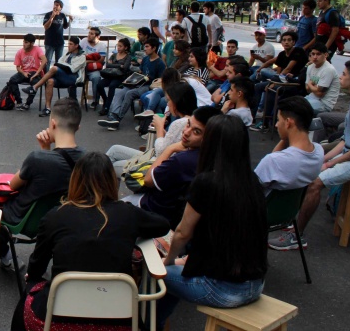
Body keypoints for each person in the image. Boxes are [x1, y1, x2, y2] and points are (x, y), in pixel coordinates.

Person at [17, 152, 170, 331]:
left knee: (28, 293)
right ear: (111, 182)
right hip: (120, 321)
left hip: (57, 320)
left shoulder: (55, 216)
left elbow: (36, 267)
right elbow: (163, 225)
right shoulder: (128, 214)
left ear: (75, 180)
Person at [157, 115, 268, 328]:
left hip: (221, 289)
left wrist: (169, 261)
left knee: (154, 273)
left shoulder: (206, 182)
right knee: (175, 269)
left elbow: (182, 233)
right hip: (255, 285)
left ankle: (148, 324)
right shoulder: (251, 180)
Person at [0, 98, 85, 268]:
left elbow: (12, 184)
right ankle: (5, 255)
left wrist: (44, 149)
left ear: (52, 124)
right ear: (78, 127)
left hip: (23, 218)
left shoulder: (37, 159)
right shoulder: (87, 159)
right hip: (57, 219)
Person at [269, 59, 350, 250]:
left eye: (343, 75)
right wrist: (323, 159)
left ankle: (298, 236)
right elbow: (345, 141)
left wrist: (328, 165)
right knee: (311, 168)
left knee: (315, 183)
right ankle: (293, 222)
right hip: (348, 153)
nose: (341, 77)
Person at [125, 107, 222, 228]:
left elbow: (148, 180)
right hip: (176, 215)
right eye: (188, 124)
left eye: (196, 131)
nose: (186, 132)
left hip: (153, 209)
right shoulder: (215, 157)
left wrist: (171, 148)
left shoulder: (183, 160)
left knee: (111, 210)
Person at [107, 80, 198, 174]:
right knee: (114, 149)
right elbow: (172, 142)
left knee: (111, 167)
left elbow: (160, 151)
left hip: (158, 165)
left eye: (168, 100)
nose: (167, 104)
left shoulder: (180, 123)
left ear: (177, 102)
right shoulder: (191, 121)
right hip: (160, 160)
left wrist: (159, 128)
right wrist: (163, 131)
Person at [255, 96, 323, 197]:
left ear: (288, 122)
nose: (276, 125)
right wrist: (286, 136)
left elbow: (250, 189)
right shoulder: (318, 151)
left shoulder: (273, 161)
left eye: (278, 120)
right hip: (287, 212)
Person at [98, 37, 166, 131]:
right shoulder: (146, 59)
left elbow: (160, 80)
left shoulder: (160, 63)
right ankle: (113, 116)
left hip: (148, 87)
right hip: (138, 83)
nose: (145, 49)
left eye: (147, 47)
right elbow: (141, 72)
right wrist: (133, 79)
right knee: (120, 92)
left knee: (130, 93)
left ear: (154, 48)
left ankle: (118, 119)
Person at [22, 37, 87, 117]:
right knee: (50, 81)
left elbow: (72, 69)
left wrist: (61, 66)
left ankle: (35, 87)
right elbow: (59, 62)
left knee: (54, 68)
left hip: (73, 78)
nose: (68, 46)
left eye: (71, 44)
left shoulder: (81, 57)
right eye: (68, 44)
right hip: (63, 77)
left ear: (76, 45)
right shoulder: (67, 55)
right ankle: (48, 108)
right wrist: (61, 66)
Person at [8, 34, 47, 111]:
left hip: (34, 73)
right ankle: (19, 101)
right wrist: (23, 73)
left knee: (35, 83)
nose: (24, 44)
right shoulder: (20, 52)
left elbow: (45, 60)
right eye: (23, 42)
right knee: (12, 80)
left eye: (26, 42)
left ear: (32, 43)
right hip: (24, 72)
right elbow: (18, 67)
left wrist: (37, 72)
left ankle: (28, 104)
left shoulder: (37, 49)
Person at [96, 38, 132, 115]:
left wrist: (114, 65)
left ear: (125, 47)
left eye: (120, 46)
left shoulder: (128, 57)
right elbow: (108, 65)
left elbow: (125, 68)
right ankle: (105, 100)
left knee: (112, 86)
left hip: (120, 77)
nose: (118, 48)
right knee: (99, 85)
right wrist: (119, 65)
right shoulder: (114, 55)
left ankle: (106, 107)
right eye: (118, 46)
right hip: (110, 75)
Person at [304, 43, 340, 115]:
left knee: (298, 110)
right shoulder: (310, 67)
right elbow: (307, 89)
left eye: (318, 54)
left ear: (326, 55)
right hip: (311, 98)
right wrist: (314, 88)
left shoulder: (328, 69)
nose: (315, 57)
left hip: (324, 104)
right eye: (313, 54)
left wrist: (310, 84)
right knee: (289, 105)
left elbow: (320, 94)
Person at [82, 26, 108, 108]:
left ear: (97, 36)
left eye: (91, 34)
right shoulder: (83, 41)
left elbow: (101, 60)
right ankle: (72, 100)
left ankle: (95, 100)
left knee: (96, 77)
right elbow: (78, 54)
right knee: (72, 75)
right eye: (89, 33)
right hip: (81, 68)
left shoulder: (102, 46)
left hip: (94, 69)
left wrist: (88, 61)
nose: (89, 35)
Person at [41, 0, 71, 69]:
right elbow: (46, 26)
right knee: (47, 61)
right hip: (49, 42)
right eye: (54, 4)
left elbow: (65, 26)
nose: (55, 6)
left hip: (60, 43)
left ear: (61, 7)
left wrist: (70, 21)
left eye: (57, 5)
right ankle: (46, 77)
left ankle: (56, 76)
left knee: (59, 61)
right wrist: (52, 17)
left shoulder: (62, 15)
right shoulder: (48, 14)